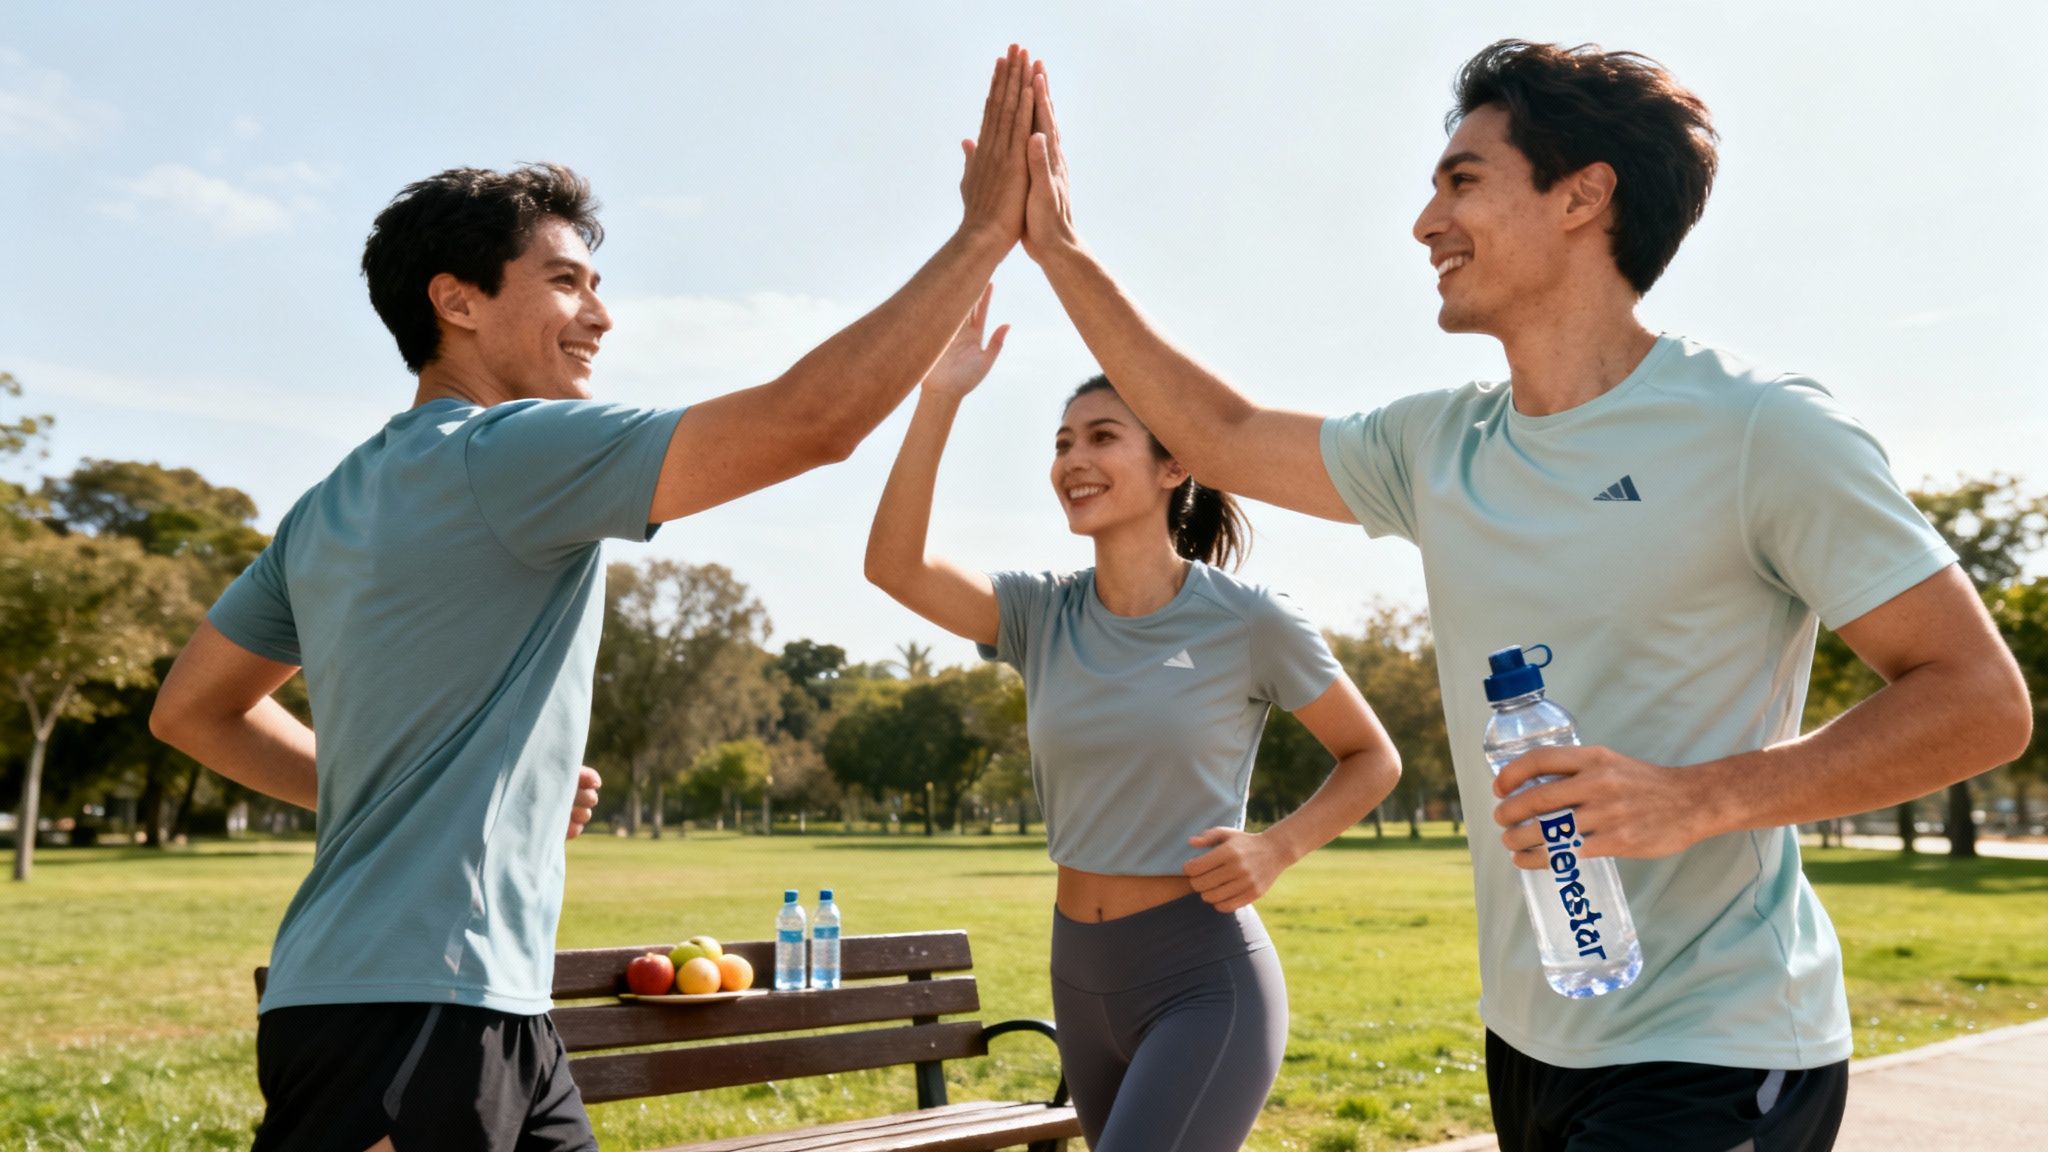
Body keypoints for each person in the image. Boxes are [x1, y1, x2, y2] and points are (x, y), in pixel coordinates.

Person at [1013, 39, 2032, 1152]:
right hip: (1531, 1039)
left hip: (1716, 1042)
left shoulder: (1759, 430)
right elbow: (1219, 435)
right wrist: (1055, 246)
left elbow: (1977, 701)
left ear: (1581, 196)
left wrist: (1695, 799)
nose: (1422, 222)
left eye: (1461, 180)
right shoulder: (1438, 446)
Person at [147, 45, 1044, 1152]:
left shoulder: (330, 503)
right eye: (565, 281)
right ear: (457, 301)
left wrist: (411, 792)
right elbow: (813, 421)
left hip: (469, 1009)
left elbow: (193, 710)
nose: (600, 316)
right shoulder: (505, 451)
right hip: (410, 1017)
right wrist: (979, 237)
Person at [863, 287, 1403, 1151]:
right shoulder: (1042, 615)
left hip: (1203, 978)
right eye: (1063, 443)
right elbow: (893, 565)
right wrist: (939, 398)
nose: (1074, 459)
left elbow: (1371, 757)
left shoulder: (1249, 619)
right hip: (1078, 975)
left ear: (1173, 464)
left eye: (1103, 437)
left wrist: (1276, 847)